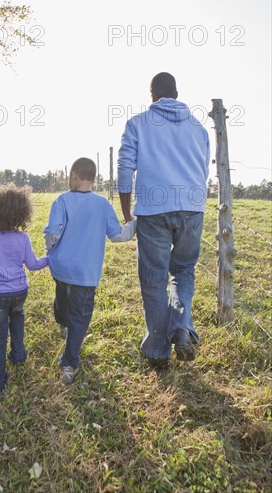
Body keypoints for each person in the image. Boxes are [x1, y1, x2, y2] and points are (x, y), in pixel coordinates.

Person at [117, 72, 210, 369]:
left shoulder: (137, 124)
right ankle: (182, 327)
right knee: (183, 271)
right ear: (177, 93)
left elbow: (124, 170)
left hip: (153, 211)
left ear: (152, 95)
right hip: (192, 209)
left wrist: (127, 213)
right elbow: (203, 170)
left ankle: (158, 350)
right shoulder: (200, 128)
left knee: (154, 278)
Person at [44, 157, 137, 384]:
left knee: (62, 299)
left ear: (73, 176)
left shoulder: (61, 201)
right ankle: (69, 364)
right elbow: (117, 235)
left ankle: (63, 324)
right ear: (94, 180)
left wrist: (51, 251)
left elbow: (51, 234)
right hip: (85, 273)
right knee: (80, 316)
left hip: (62, 268)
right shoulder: (103, 204)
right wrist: (135, 223)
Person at [0, 183, 48, 393]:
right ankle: (19, 354)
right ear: (22, 213)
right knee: (18, 317)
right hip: (19, 292)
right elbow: (32, 264)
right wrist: (49, 259)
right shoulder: (23, 238)